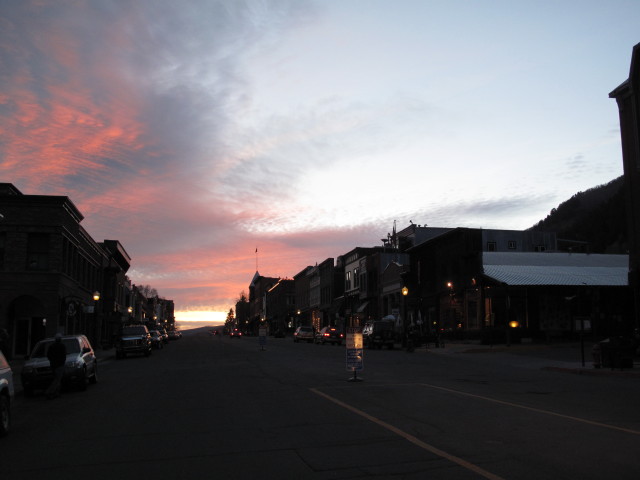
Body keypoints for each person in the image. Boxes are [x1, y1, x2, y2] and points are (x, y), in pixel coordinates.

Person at [45, 333, 67, 399]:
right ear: (60, 339)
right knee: (57, 379)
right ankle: (49, 391)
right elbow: (64, 355)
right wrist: (62, 362)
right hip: (59, 365)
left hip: (53, 365)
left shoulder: (51, 346)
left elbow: (48, 355)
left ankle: (56, 393)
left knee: (57, 379)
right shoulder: (62, 346)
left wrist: (52, 361)